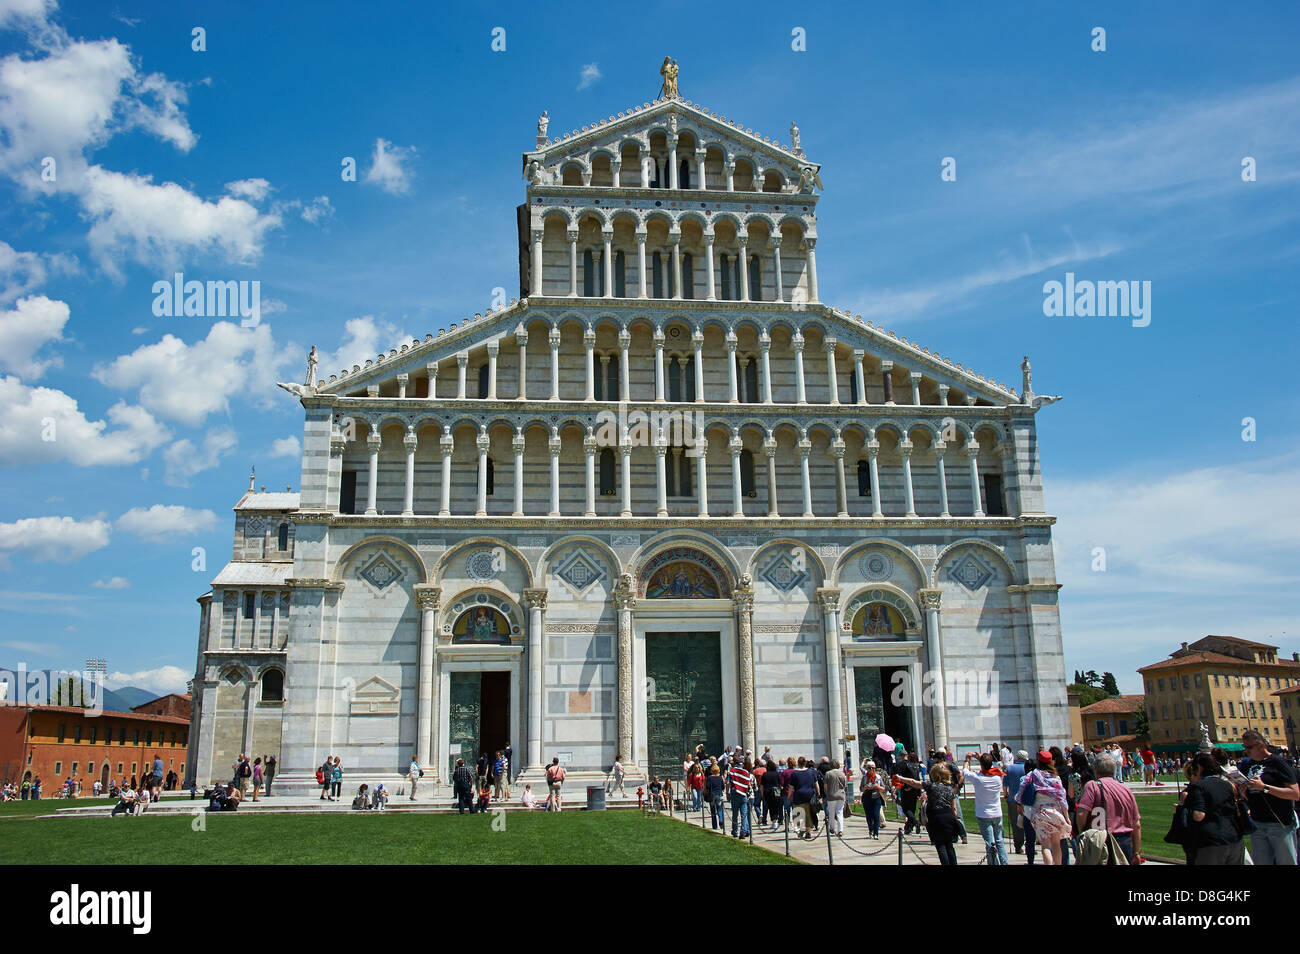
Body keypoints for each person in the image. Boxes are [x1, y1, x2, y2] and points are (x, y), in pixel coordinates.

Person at [1238, 729, 1299, 864]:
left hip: (1279, 823)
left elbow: (1295, 794)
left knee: (1286, 862)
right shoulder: (1247, 764)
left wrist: (1264, 787)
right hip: (1257, 822)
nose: (1246, 751)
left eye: (1249, 747)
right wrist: (1244, 792)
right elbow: (1253, 795)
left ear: (1261, 746)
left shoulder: (1277, 763)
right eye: (1244, 747)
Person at [1075, 753, 1143, 864]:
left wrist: (1082, 834)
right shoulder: (1126, 790)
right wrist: (1136, 852)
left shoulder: (1092, 786)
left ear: (1096, 770)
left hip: (1101, 842)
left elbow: (1082, 814)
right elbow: (1137, 825)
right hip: (1124, 842)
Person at [1184, 753, 1245, 865]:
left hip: (1210, 841)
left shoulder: (1197, 786)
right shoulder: (1229, 785)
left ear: (1200, 768)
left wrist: (1185, 809)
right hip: (1234, 837)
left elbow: (1199, 815)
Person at [1017, 750, 1071, 865]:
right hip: (1055, 813)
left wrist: (1019, 801)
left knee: (1045, 845)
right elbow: (1062, 798)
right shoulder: (1056, 778)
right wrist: (1066, 817)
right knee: (1056, 844)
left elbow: (1021, 788)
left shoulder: (1033, 774)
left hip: (1039, 813)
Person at [963, 752, 1008, 864]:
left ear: (981, 765)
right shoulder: (998, 777)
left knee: (990, 842)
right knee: (999, 841)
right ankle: (1004, 862)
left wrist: (967, 760)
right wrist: (981, 758)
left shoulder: (979, 778)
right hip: (997, 813)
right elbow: (990, 767)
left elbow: (965, 772)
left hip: (984, 814)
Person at [789, 757, 820, 838]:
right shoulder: (811, 772)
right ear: (805, 763)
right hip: (809, 795)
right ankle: (808, 831)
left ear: (798, 763)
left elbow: (791, 787)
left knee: (798, 813)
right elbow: (816, 785)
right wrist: (818, 793)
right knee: (808, 814)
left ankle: (802, 829)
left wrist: (789, 796)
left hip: (798, 795)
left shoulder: (795, 773)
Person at [860, 761, 888, 838]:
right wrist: (865, 787)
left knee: (876, 815)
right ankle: (870, 829)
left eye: (873, 768)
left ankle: (876, 833)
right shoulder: (865, 777)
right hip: (867, 798)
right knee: (869, 816)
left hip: (876, 798)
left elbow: (883, 788)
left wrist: (878, 787)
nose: (871, 770)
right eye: (869, 768)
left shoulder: (878, 777)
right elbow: (861, 789)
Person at [895, 752, 922, 835]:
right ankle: (908, 828)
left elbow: (899, 778)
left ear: (901, 757)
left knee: (906, 809)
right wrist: (918, 791)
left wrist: (896, 789)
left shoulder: (901, 765)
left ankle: (916, 822)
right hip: (915, 788)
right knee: (912, 809)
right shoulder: (915, 765)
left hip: (906, 789)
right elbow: (917, 778)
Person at [727, 758, 754, 837]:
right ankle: (743, 830)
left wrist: (727, 792)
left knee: (735, 814)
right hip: (743, 794)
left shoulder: (732, 772)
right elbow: (748, 784)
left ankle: (735, 831)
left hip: (734, 793)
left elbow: (728, 782)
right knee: (744, 814)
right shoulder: (746, 772)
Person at [823, 759, 847, 837]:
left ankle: (832, 828)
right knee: (839, 812)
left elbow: (825, 786)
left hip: (831, 795)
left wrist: (826, 793)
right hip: (841, 795)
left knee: (831, 812)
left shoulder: (828, 773)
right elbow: (845, 785)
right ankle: (840, 830)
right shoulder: (842, 774)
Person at [705, 763, 725, 830]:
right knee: (719, 808)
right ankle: (721, 819)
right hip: (719, 794)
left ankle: (714, 825)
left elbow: (707, 786)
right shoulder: (720, 778)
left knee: (713, 810)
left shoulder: (710, 778)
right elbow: (723, 786)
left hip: (712, 795)